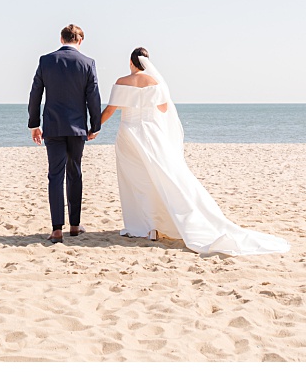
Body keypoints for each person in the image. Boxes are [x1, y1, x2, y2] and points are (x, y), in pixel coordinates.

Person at [99, 47, 289, 256]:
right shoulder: (155, 83)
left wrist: (94, 129)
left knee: (136, 180)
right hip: (150, 134)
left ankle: (143, 227)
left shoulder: (121, 82)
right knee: (159, 177)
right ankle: (155, 227)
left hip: (128, 133)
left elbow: (110, 110)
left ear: (131, 62)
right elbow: (163, 109)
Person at [27, 23, 103, 243]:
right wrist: (95, 125)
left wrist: (34, 124)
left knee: (55, 176)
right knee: (75, 173)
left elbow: (35, 94)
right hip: (77, 127)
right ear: (80, 41)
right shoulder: (88, 63)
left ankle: (57, 229)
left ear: (61, 39)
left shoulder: (46, 61)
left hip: (53, 126)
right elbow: (94, 96)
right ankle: (75, 225)